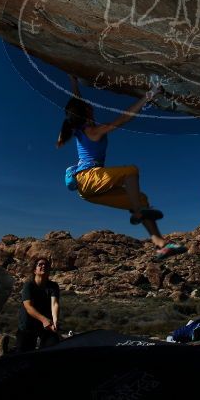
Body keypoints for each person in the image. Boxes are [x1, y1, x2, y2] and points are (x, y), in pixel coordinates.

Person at [56, 75, 187, 261]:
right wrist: (149, 95)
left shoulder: (79, 129)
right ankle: (139, 212)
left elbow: (77, 100)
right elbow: (124, 118)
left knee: (141, 199)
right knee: (131, 171)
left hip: (88, 192)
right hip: (88, 178)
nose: (90, 105)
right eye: (87, 106)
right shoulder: (92, 131)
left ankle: (161, 245)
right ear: (86, 112)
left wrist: (73, 80)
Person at [17, 256, 60, 351]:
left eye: (46, 265)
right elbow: (28, 307)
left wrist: (55, 320)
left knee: (52, 347)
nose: (43, 266)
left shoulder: (53, 286)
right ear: (34, 270)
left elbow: (54, 304)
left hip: (46, 326)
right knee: (23, 355)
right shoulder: (29, 286)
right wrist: (44, 320)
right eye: (40, 264)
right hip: (28, 325)